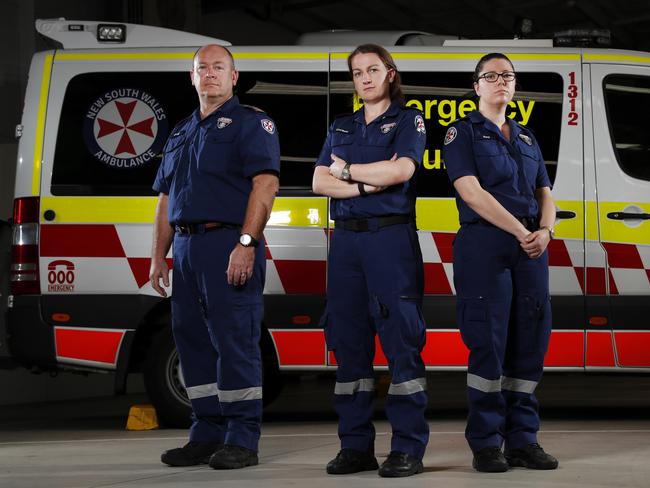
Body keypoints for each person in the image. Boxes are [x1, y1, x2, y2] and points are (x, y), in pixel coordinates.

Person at [149, 44, 280, 470]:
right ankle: (205, 434)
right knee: (192, 342)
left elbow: (265, 185)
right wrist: (158, 257)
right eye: (201, 68)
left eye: (218, 67)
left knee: (235, 340)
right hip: (185, 249)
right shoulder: (181, 131)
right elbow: (167, 199)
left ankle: (242, 438)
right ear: (192, 78)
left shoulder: (251, 123)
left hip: (227, 245)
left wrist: (246, 243)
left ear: (233, 77)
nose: (209, 74)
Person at [313, 44, 429, 478]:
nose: (364, 78)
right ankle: (355, 446)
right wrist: (363, 184)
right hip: (345, 245)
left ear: (390, 74)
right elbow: (318, 181)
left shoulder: (408, 120)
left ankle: (407, 448)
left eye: (373, 70)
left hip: (390, 240)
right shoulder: (341, 125)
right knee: (349, 344)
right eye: (357, 72)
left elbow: (400, 172)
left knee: (401, 341)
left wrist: (345, 172)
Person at [442, 53, 559, 473]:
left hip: (530, 248)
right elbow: (470, 191)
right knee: (488, 344)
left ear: (514, 85)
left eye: (506, 75)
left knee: (530, 343)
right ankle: (487, 442)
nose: (499, 81)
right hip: (486, 245)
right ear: (477, 87)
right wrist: (521, 231)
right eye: (490, 76)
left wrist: (545, 232)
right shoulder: (461, 133)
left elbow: (546, 191)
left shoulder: (526, 137)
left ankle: (524, 440)